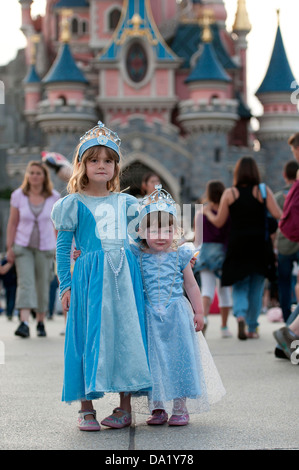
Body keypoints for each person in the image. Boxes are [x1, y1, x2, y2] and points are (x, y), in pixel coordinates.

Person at [51, 121, 152, 432]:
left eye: (108, 160)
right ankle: (85, 407)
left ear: (116, 166)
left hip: (124, 280)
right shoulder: (72, 204)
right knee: (85, 335)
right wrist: (65, 285)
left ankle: (124, 407)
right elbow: (63, 247)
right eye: (93, 160)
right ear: (81, 164)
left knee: (125, 336)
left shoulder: (128, 203)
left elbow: (141, 243)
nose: (101, 166)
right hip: (89, 280)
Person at [131, 185, 226, 426]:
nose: (161, 235)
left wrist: (199, 311)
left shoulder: (180, 254)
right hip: (150, 316)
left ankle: (180, 406)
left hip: (176, 315)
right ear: (141, 231)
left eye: (167, 229)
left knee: (178, 358)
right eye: (154, 230)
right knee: (155, 362)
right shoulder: (138, 256)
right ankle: (158, 407)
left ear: (176, 231)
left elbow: (192, 286)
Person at [204, 157, 282, 340]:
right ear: (256, 172)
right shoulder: (262, 191)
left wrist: (207, 212)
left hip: (238, 244)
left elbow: (220, 222)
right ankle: (252, 328)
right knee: (256, 286)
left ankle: (239, 315)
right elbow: (279, 214)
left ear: (237, 173)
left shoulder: (230, 193)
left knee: (239, 283)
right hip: (260, 245)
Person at [6, 161, 60, 338]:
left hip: (46, 247)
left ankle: (41, 322)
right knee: (25, 283)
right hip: (23, 246)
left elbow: (57, 226)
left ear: (44, 177)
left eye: (38, 173)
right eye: (32, 172)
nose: (34, 176)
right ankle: (24, 322)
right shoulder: (18, 196)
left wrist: (60, 249)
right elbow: (13, 223)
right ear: (27, 175)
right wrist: (9, 247)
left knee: (43, 284)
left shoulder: (54, 197)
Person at [194, 180, 232, 338]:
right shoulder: (228, 211)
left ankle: (205, 320)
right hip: (224, 253)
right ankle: (224, 327)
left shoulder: (201, 212)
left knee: (207, 290)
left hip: (206, 253)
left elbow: (197, 239)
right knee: (224, 291)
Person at [274, 160, 299, 322]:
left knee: (284, 283)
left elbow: (274, 222)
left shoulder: (277, 197)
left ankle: (287, 319)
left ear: (284, 175)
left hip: (283, 242)